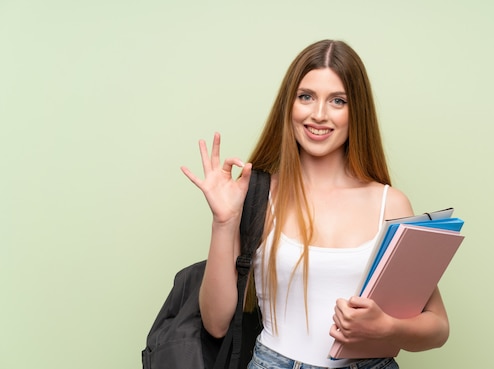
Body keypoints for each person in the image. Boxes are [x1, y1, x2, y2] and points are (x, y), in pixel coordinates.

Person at [181, 39, 450, 369]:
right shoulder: (257, 195)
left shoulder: (390, 204)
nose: (319, 115)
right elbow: (216, 323)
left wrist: (386, 327)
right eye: (305, 97)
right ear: (289, 105)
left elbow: (437, 326)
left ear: (357, 112)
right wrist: (223, 223)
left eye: (338, 101)